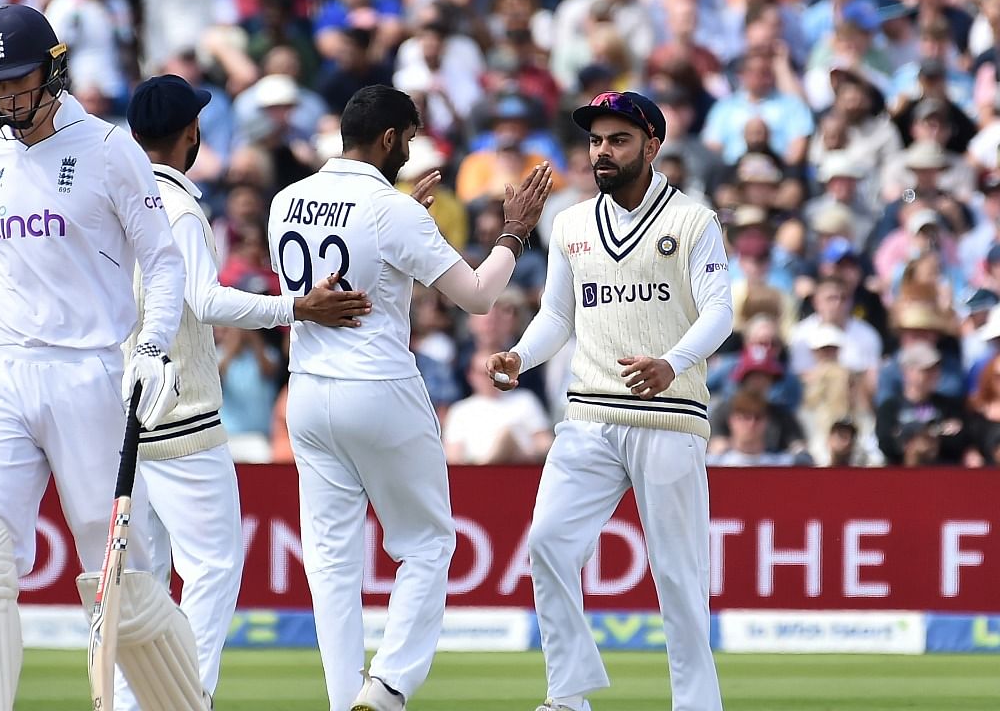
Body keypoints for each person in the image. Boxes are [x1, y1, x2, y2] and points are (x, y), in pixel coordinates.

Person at [0, 5, 204, 711]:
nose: (3, 99)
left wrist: (149, 348)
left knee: (123, 579)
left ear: (52, 70)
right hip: (5, 374)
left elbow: (164, 265)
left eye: (17, 82)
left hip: (92, 372)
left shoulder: (113, 151)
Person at [269, 84, 552, 711]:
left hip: (309, 392)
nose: (411, 150)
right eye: (411, 139)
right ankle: (389, 686)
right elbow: (478, 295)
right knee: (427, 544)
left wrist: (409, 221)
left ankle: (345, 701)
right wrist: (513, 232)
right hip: (379, 388)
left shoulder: (286, 200)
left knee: (331, 561)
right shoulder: (394, 212)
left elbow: (360, 262)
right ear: (392, 138)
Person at [120, 74, 371, 707]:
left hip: (118, 413)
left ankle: (129, 700)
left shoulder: (112, 199)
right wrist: (298, 307)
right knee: (211, 568)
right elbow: (203, 301)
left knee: (138, 576)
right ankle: (184, 697)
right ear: (190, 135)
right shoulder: (175, 208)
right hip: (180, 415)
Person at [488, 90, 731, 711]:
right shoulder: (569, 222)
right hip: (588, 414)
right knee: (547, 542)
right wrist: (520, 355)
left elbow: (721, 313)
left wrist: (671, 363)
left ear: (653, 145)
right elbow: (557, 315)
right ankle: (568, 695)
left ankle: (697, 704)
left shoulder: (693, 220)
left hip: (670, 414)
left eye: (618, 139)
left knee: (678, 576)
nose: (603, 151)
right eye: (596, 140)